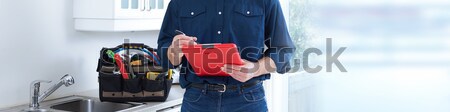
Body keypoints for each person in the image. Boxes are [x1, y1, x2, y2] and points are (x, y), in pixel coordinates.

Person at [157, 0, 295, 111]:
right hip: (196, 101)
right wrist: (174, 50)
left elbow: (284, 51)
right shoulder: (179, 2)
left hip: (248, 101)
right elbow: (165, 58)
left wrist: (256, 68)